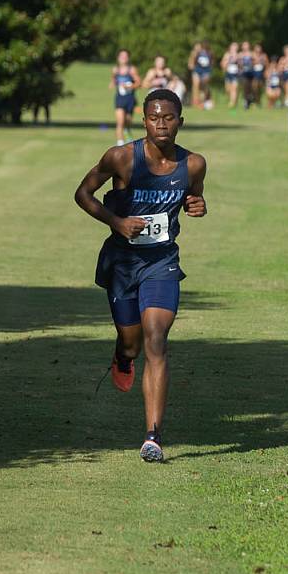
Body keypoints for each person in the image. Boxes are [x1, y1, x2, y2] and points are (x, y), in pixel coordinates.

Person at [73, 89, 208, 463]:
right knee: (132, 343)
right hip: (123, 263)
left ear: (180, 121)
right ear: (143, 120)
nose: (161, 124)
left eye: (168, 117)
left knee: (156, 340)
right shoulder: (121, 158)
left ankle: (153, 436)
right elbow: (83, 194)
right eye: (154, 117)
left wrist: (198, 205)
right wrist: (116, 221)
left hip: (161, 262)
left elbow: (192, 198)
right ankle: (122, 356)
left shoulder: (194, 164)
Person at [111, 50, 141, 147]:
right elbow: (114, 80)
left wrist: (130, 86)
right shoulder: (115, 70)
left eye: (125, 56)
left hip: (130, 98)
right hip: (119, 98)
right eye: (121, 56)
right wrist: (112, 83)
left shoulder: (132, 69)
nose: (123, 58)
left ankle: (127, 130)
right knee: (120, 121)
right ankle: (120, 143)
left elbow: (139, 83)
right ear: (118, 58)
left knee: (127, 121)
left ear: (128, 58)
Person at [187, 42, 213, 109]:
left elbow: (211, 62)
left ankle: (202, 102)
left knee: (204, 87)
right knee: (196, 85)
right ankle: (195, 102)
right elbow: (191, 63)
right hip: (197, 71)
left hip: (205, 72)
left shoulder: (208, 53)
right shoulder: (195, 53)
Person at [220, 42, 241, 109]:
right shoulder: (226, 55)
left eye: (235, 47)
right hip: (228, 74)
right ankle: (233, 101)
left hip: (235, 75)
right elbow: (222, 64)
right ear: (230, 48)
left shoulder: (238, 55)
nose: (234, 48)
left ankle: (232, 104)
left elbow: (241, 66)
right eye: (233, 47)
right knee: (228, 89)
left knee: (234, 88)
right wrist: (228, 60)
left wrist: (238, 60)